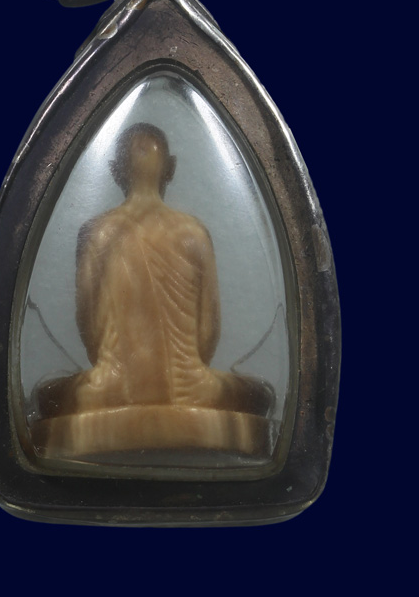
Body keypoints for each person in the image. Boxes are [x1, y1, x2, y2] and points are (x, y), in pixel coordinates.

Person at [35, 123, 274, 421]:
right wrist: (185, 369)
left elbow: (90, 328)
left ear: (114, 169)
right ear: (171, 168)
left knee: (47, 396)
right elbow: (207, 333)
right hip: (192, 387)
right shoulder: (194, 234)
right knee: (260, 395)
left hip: (110, 389)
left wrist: (120, 366)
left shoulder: (97, 234)